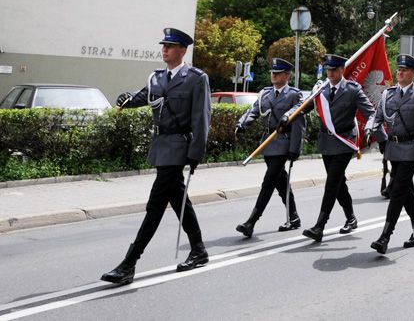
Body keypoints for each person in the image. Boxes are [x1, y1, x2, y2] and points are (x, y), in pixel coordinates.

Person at [102, 28, 211, 285]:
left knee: (155, 206)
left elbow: (202, 118)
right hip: (161, 146)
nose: (164, 50)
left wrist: (196, 153)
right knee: (178, 200)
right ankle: (199, 250)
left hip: (178, 148)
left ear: (183, 51)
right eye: (163, 46)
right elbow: (144, 96)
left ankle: (129, 263)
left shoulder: (196, 78)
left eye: (170, 47)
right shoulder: (157, 77)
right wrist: (127, 100)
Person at [284, 54, 375, 242]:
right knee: (339, 182)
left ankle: (320, 226)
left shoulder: (352, 90)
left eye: (334, 70)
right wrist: (288, 115)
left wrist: (370, 127)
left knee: (332, 183)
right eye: (328, 70)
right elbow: (304, 106)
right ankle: (351, 217)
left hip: (344, 142)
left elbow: (370, 113)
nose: (330, 73)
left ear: (342, 70)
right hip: (326, 143)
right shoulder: (321, 88)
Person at [366, 54, 414, 253]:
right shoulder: (388, 94)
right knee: (406, 193)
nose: (400, 72)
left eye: (404, 70)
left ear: (413, 73)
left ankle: (385, 235)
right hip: (393, 150)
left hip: (411, 150)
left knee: (397, 192)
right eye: (399, 69)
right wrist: (379, 139)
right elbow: (376, 118)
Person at [233, 58, 305, 237]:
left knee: (268, 183)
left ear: (287, 75)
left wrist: (295, 148)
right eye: (272, 72)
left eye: (278, 73)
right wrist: (242, 124)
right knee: (281, 183)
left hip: (283, 142)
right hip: (268, 143)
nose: (273, 75)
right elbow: (254, 111)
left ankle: (251, 221)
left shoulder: (294, 95)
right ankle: (294, 217)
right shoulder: (265, 94)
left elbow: (299, 122)